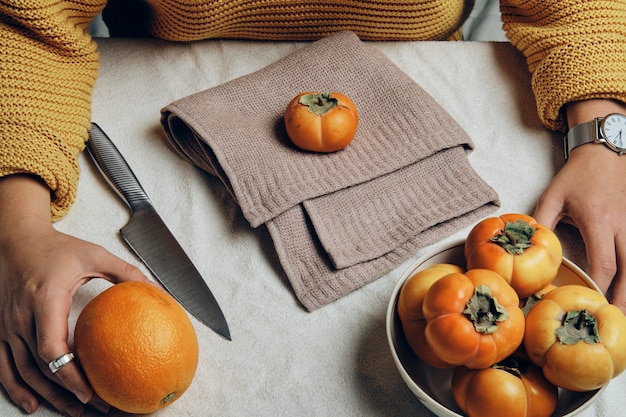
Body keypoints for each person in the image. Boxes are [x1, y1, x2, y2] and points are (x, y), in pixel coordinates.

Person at [1, 0, 625, 415]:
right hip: (143, 99)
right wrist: (17, 225)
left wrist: (605, 135)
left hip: (437, 92)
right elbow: (30, 23)